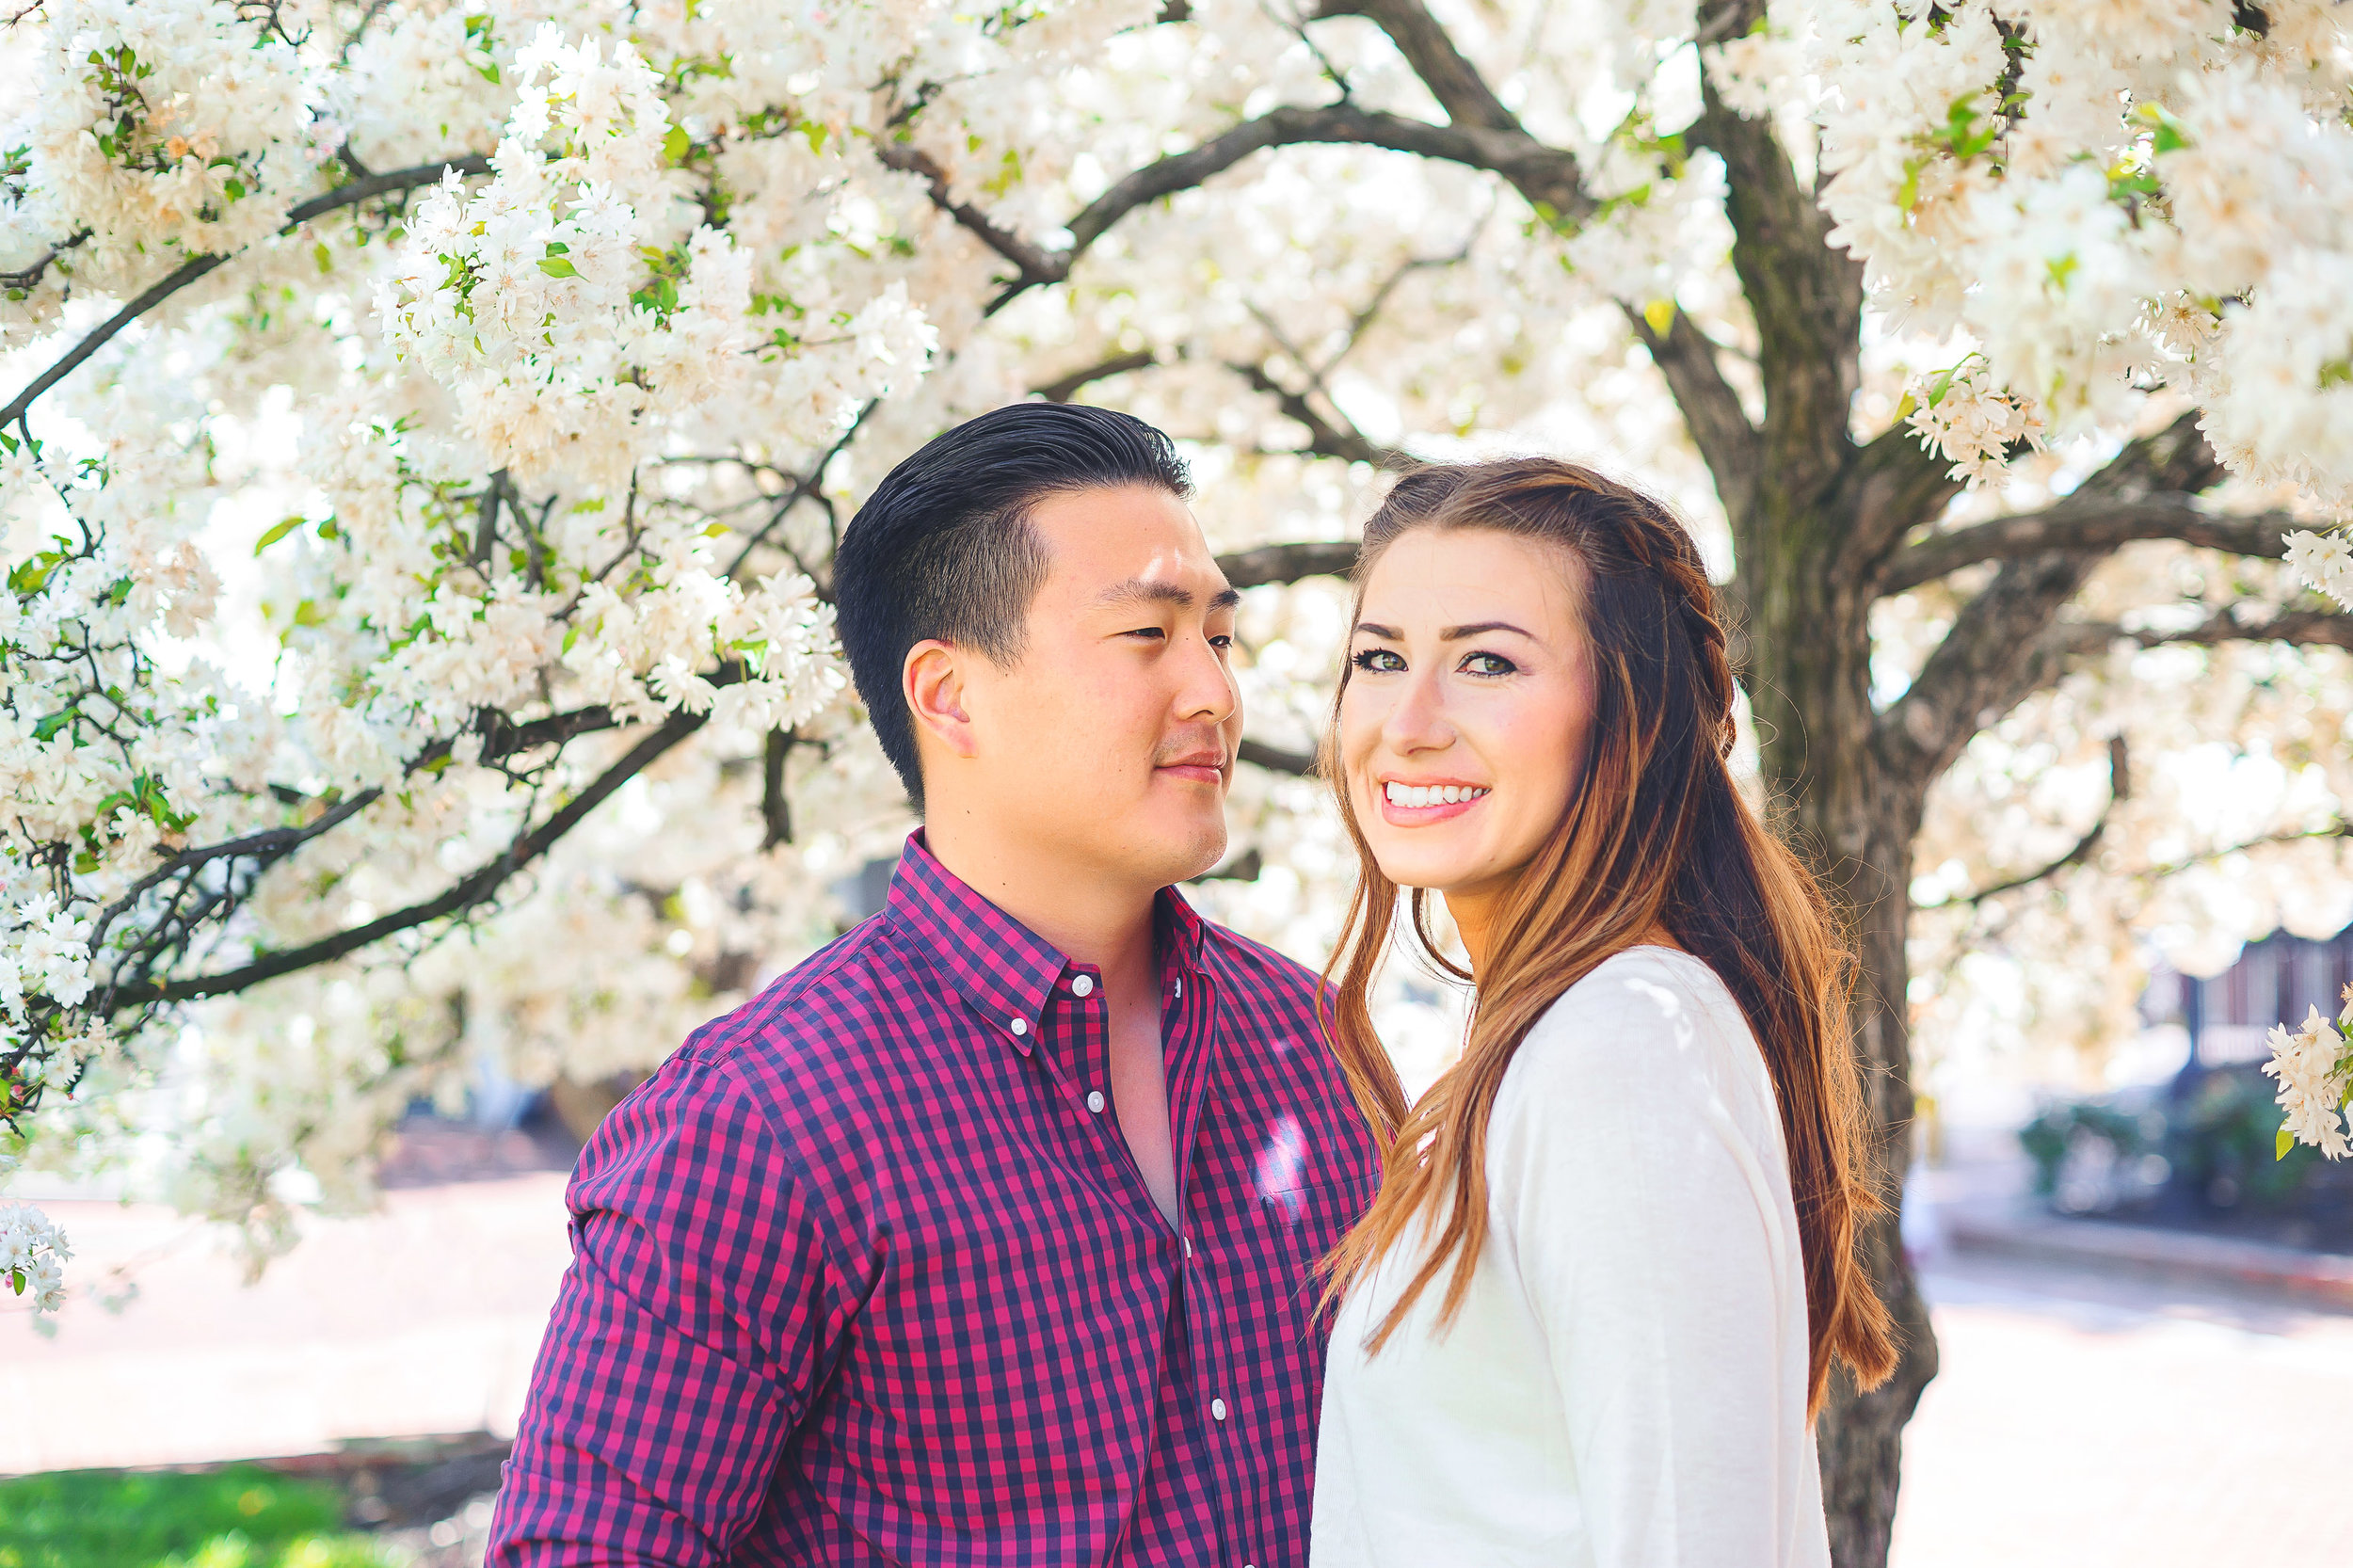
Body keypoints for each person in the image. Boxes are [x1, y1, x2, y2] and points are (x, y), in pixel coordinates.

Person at [488, 404, 1379, 1568]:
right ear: (949, 694)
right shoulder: (761, 1122)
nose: (1211, 691)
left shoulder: (1309, 1039)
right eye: (1146, 637)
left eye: (1216, 636)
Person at [1306, 459, 1897, 1567]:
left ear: (1628, 714)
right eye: (1378, 659)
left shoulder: (1624, 1049)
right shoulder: (1556, 1037)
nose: (1408, 721)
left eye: (1487, 661)